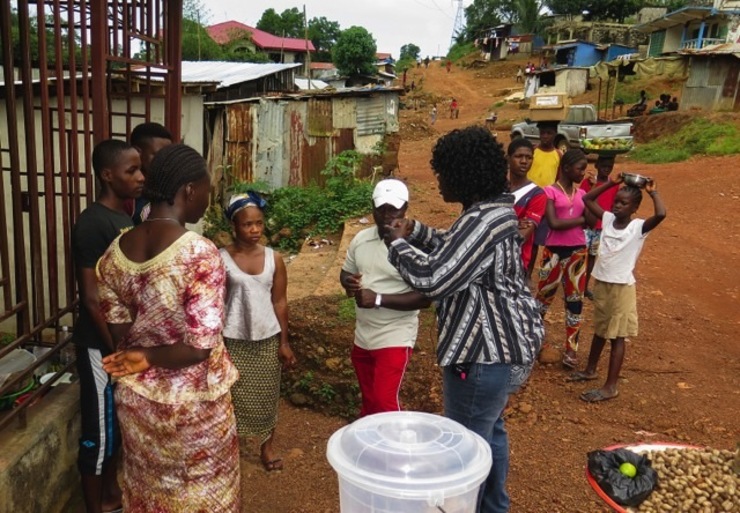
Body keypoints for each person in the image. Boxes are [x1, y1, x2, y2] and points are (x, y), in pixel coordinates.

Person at [385, 126, 543, 513]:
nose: (438, 182)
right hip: (504, 352)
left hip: (481, 355)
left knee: (464, 451)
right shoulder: (492, 213)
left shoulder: (483, 222)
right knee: (491, 436)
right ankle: (494, 506)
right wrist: (417, 232)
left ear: (462, 173)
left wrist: (397, 243)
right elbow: (458, 252)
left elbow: (435, 277)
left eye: (442, 173)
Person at [98, 144, 240, 512]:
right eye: (207, 193)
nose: (207, 203)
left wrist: (142, 354)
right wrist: (148, 354)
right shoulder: (200, 254)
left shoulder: (113, 254)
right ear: (190, 191)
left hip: (137, 406)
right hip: (195, 411)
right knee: (206, 499)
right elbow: (199, 348)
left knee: (149, 498)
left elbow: (120, 335)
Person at [71, 139, 143, 513]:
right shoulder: (92, 223)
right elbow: (91, 298)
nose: (140, 177)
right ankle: (94, 507)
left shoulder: (124, 219)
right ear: (107, 175)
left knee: (116, 429)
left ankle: (112, 497)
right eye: (132, 170)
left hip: (119, 344)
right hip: (100, 347)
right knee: (98, 436)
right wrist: (114, 350)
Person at [570, 175, 666, 402]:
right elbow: (588, 199)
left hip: (622, 287)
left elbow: (661, 214)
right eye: (616, 201)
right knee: (600, 330)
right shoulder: (608, 218)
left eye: (624, 203)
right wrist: (612, 183)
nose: (617, 206)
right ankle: (590, 369)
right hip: (602, 282)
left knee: (617, 337)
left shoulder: (638, 227)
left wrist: (653, 191)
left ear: (635, 208)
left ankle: (611, 386)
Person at [220, 191, 297, 471]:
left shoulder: (273, 258)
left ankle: (267, 446)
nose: (254, 230)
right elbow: (216, 302)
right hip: (232, 339)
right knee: (229, 397)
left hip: (266, 337)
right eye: (247, 224)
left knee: (266, 395)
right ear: (234, 226)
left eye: (259, 223)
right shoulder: (220, 259)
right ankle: (228, 448)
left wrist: (284, 342)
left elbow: (280, 300)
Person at [340, 179, 431, 417]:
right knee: (370, 401)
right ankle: (371, 450)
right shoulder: (362, 239)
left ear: (405, 208)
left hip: (395, 334)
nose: (387, 216)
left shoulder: (415, 247)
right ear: (372, 208)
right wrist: (348, 281)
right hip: (363, 333)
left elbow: (425, 298)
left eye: (394, 209)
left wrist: (378, 298)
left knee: (384, 402)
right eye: (381, 209)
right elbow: (346, 271)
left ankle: (398, 452)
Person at [535, 149, 592, 369]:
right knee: (542, 298)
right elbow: (553, 223)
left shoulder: (581, 193)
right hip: (552, 252)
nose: (583, 173)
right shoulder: (549, 191)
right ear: (566, 168)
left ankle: (571, 349)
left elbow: (590, 220)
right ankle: (537, 341)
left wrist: (593, 191)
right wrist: (580, 220)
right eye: (580, 169)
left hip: (578, 250)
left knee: (575, 301)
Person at [580, 155, 619, 299]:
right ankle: (575, 285)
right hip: (585, 226)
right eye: (604, 164)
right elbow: (582, 201)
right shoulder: (588, 183)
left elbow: (614, 205)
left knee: (592, 257)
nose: (607, 168)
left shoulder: (614, 185)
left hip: (601, 228)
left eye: (610, 165)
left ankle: (584, 287)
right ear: (596, 165)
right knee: (579, 257)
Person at [527, 121, 562, 278]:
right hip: (529, 200)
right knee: (529, 239)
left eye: (549, 133)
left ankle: (542, 274)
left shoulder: (558, 155)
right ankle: (526, 273)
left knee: (544, 241)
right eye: (543, 133)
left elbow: (559, 179)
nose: (545, 136)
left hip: (547, 203)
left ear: (555, 134)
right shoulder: (532, 151)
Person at [507, 138, 546, 272]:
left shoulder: (537, 194)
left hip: (516, 263)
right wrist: (513, 224)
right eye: (518, 156)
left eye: (529, 157)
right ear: (508, 158)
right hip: (490, 261)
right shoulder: (496, 188)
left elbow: (522, 236)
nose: (524, 161)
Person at [128, 122, 173, 224]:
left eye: (168, 155)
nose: (165, 160)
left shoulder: (168, 190)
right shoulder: (128, 196)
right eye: (158, 154)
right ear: (137, 152)